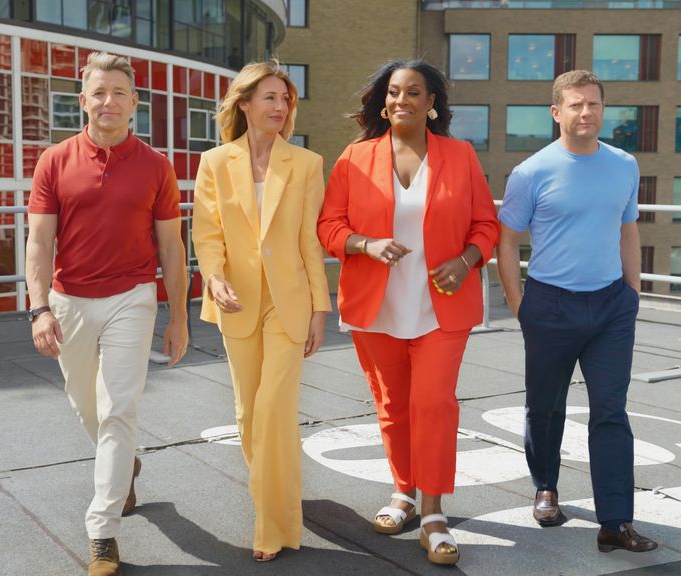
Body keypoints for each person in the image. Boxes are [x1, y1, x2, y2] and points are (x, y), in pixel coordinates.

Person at [318, 59, 499, 566]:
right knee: (392, 406)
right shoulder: (354, 159)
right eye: (394, 92)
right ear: (383, 100)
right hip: (377, 309)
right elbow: (329, 225)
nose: (402, 100)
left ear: (431, 103)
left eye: (414, 92)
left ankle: (434, 511)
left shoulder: (460, 156)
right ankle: (403, 493)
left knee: (434, 403)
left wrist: (465, 263)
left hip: (441, 308)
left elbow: (486, 226)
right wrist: (364, 243)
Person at [26, 52, 189, 576]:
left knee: (118, 409)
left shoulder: (157, 166)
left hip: (132, 298)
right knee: (86, 407)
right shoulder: (54, 160)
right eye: (99, 92)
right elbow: (39, 241)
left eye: (119, 92)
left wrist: (179, 318)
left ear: (134, 102)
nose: (108, 101)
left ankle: (103, 531)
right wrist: (39, 309)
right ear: (83, 102)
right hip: (69, 301)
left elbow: (171, 248)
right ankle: (125, 467)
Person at [496, 69, 657, 553]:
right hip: (550, 304)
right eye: (575, 105)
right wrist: (519, 305)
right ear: (556, 112)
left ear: (603, 109)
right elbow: (507, 243)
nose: (586, 112)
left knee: (611, 410)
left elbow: (628, 229)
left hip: (611, 306)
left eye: (593, 104)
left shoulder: (624, 165)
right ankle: (546, 487)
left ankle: (615, 520)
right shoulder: (531, 172)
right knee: (546, 406)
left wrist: (633, 291)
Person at [192, 61, 330, 562]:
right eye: (269, 97)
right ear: (244, 104)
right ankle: (280, 503)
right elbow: (206, 234)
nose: (279, 107)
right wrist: (213, 275)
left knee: (274, 409)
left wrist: (320, 307)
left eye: (285, 99)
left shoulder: (307, 164)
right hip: (237, 299)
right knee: (249, 414)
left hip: (289, 301)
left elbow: (310, 242)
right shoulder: (214, 162)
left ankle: (271, 524)